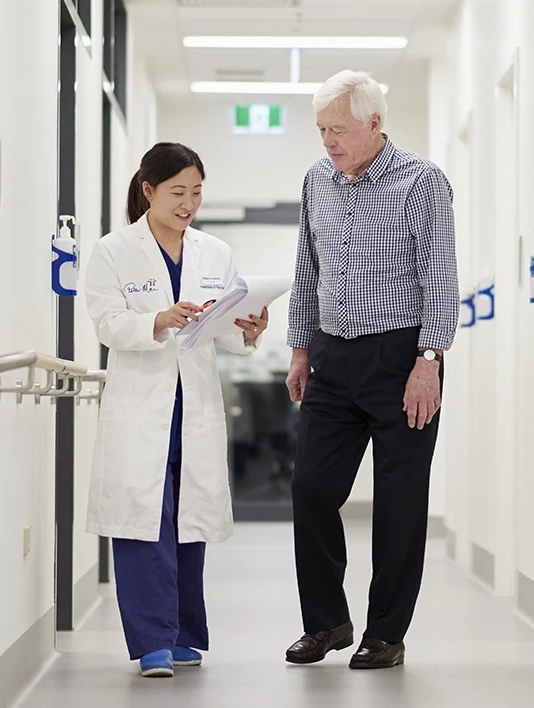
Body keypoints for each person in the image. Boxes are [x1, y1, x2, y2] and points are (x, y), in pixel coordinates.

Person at [284, 70, 459, 670]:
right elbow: (308, 267)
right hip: (333, 356)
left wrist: (429, 360)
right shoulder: (317, 181)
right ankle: (327, 622)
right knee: (310, 489)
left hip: (402, 358)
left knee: (399, 504)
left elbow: (439, 276)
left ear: (374, 123)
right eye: (321, 130)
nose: (327, 141)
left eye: (337, 129)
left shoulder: (423, 182)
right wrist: (301, 348)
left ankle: (386, 633)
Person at [84, 142, 270, 678]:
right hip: (141, 406)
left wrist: (248, 331)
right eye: (177, 192)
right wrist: (159, 319)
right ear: (149, 190)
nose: (189, 203)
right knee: (145, 523)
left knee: (187, 522)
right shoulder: (114, 251)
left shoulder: (214, 253)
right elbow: (106, 323)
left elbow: (225, 330)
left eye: (196, 192)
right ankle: (152, 643)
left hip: (194, 405)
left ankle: (185, 634)